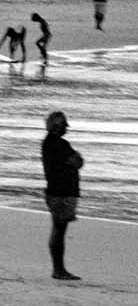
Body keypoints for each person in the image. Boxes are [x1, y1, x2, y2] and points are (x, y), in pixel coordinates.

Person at [42, 110, 84, 280]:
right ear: (57, 126)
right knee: (59, 230)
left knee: (58, 229)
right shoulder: (59, 144)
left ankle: (58, 269)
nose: (66, 128)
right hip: (62, 193)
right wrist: (76, 159)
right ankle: (58, 270)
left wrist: (75, 160)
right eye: (64, 125)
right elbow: (78, 161)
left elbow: (75, 161)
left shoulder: (49, 143)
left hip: (56, 191)